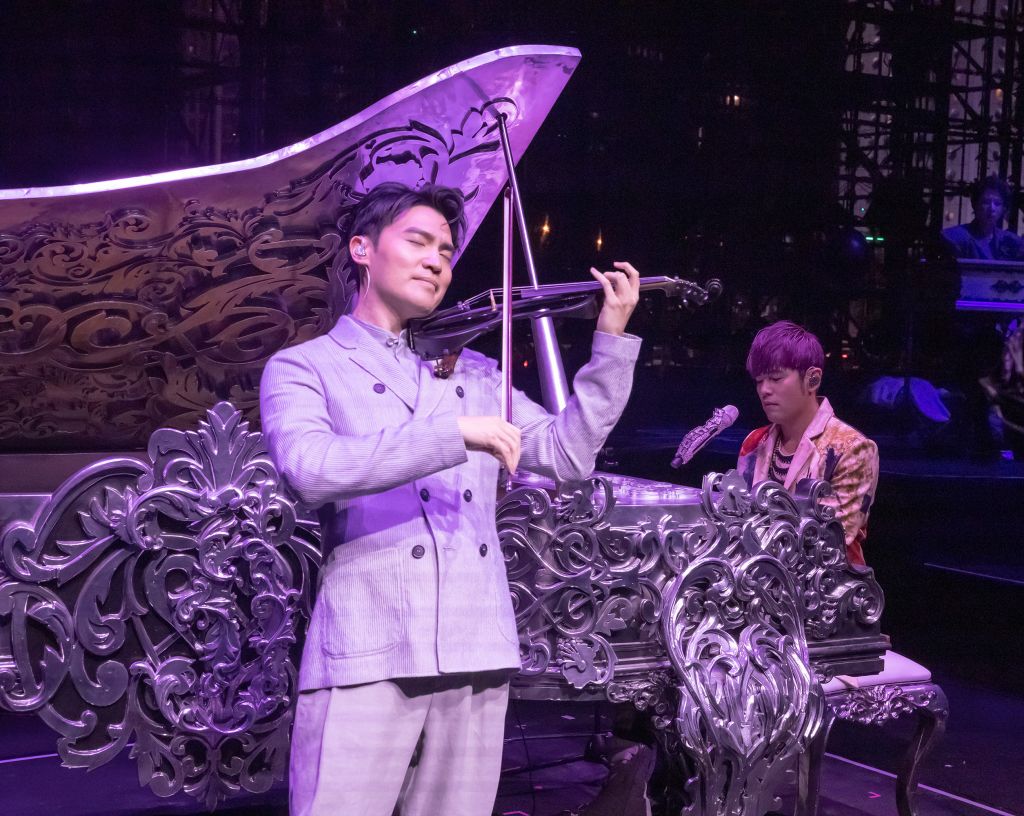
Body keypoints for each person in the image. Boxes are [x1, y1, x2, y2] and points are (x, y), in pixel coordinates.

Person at [259, 181, 642, 816]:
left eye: (445, 250)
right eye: (418, 242)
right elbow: (310, 468)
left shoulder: (477, 373)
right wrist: (452, 433)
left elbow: (568, 454)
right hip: (367, 647)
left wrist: (610, 343)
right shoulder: (306, 367)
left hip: (475, 645)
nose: (437, 261)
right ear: (362, 249)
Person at [737, 321, 879, 566]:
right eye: (759, 381)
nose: (764, 390)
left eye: (775, 378)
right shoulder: (754, 442)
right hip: (757, 578)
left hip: (826, 584)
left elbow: (830, 542)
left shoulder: (852, 448)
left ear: (813, 379)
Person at [941, 175, 1022, 260]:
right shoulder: (954, 237)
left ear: (1003, 209)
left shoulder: (1012, 241)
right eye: (986, 202)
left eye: (997, 203)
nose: (992, 208)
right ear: (975, 204)